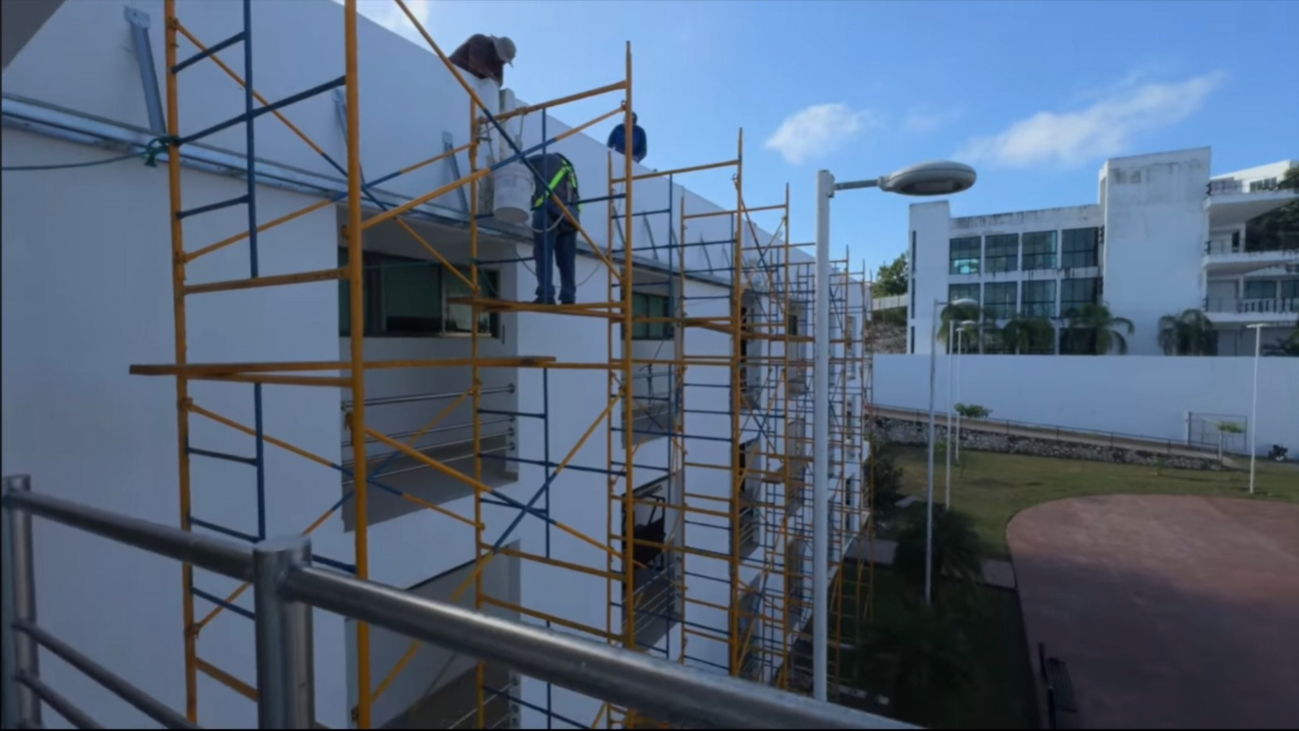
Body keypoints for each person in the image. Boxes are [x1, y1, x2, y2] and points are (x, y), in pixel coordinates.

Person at [527, 152, 581, 305]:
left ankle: (546, 295)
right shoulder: (567, 167)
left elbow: (518, 167)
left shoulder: (534, 161)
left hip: (548, 211)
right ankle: (568, 297)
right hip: (571, 216)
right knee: (566, 260)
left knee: (543, 254)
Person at [447, 34, 516, 85]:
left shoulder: (498, 62)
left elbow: (499, 83)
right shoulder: (480, 40)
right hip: (448, 74)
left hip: (463, 85)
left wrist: (493, 79)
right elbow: (476, 67)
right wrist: (491, 78)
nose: (503, 63)